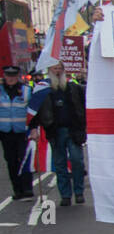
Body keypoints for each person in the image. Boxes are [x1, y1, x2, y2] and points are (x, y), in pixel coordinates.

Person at [29, 61, 86, 206]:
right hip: (55, 131)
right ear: (50, 70)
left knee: (77, 161)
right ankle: (65, 195)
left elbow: (84, 105)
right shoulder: (43, 90)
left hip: (73, 131)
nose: (58, 71)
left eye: (60, 68)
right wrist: (34, 128)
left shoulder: (73, 88)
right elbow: (35, 110)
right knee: (60, 164)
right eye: (55, 68)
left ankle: (79, 192)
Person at [1, 65, 34, 200]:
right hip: (5, 132)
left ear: (18, 76)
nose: (11, 79)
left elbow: (32, 111)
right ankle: (17, 189)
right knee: (11, 160)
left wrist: (33, 128)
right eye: (8, 76)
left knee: (24, 159)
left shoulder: (26, 90)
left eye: (13, 76)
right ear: (4, 76)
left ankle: (27, 188)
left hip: (22, 132)